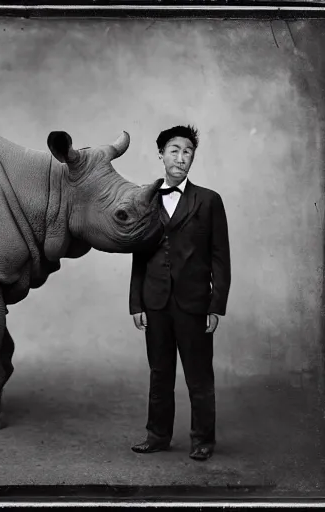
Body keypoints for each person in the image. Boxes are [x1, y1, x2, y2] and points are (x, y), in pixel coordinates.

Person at [128, 124, 231, 461]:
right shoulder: (145, 199)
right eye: (174, 150)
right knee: (160, 373)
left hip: (194, 304)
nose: (181, 157)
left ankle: (203, 440)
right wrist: (135, 303)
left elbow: (220, 256)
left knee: (199, 376)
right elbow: (139, 255)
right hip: (155, 301)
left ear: (192, 158)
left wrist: (217, 305)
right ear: (161, 155)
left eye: (187, 151)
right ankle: (157, 435)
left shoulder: (209, 200)